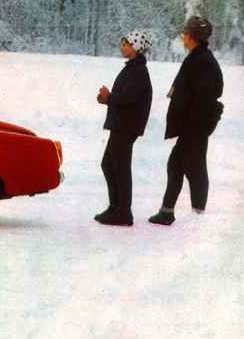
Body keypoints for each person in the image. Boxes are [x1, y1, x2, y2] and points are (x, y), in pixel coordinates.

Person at [149, 16, 224, 226]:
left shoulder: (202, 61)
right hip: (192, 126)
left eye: (185, 33)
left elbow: (204, 98)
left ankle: (196, 216)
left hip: (195, 126)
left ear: (191, 37)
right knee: (179, 165)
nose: (183, 36)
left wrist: (190, 124)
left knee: (194, 168)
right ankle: (170, 212)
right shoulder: (198, 58)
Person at [95, 30, 153, 226]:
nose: (123, 47)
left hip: (126, 127)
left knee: (118, 166)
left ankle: (123, 212)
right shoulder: (132, 69)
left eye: (127, 44)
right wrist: (108, 99)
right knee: (110, 165)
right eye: (123, 43)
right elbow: (125, 97)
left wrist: (109, 98)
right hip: (122, 125)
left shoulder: (138, 72)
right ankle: (116, 208)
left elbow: (128, 98)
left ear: (136, 48)